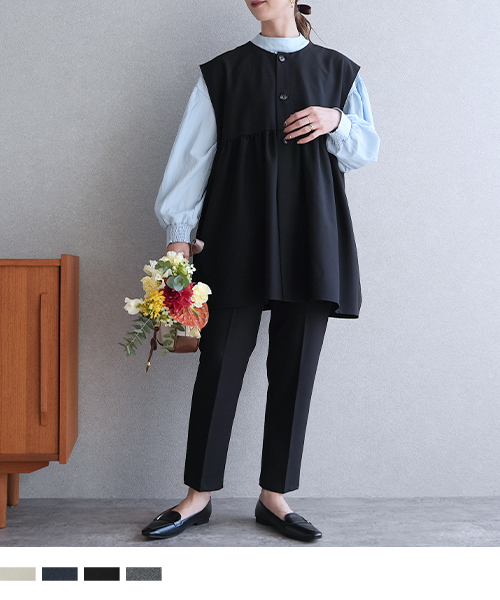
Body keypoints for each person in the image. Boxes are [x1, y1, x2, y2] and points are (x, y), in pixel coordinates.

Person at [142, 0, 380, 542]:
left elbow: (363, 151)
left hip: (311, 237)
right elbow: (192, 158)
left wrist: (337, 120)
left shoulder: (340, 71)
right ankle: (197, 496)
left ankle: (275, 496)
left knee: (296, 368)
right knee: (219, 363)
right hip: (234, 234)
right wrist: (178, 238)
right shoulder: (222, 73)